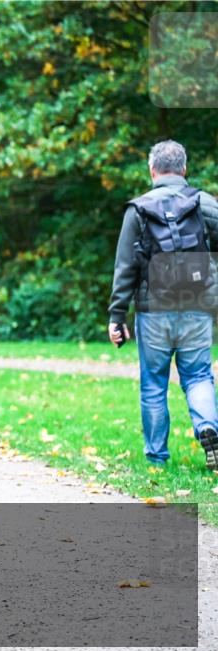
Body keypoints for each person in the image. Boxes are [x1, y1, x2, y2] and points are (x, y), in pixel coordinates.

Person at [107, 139, 218, 470]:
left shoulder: (137, 209)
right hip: (198, 308)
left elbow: (125, 267)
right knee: (198, 375)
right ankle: (208, 427)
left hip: (153, 312)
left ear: (152, 170)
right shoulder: (205, 203)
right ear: (184, 169)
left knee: (153, 382)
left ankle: (157, 457)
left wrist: (117, 315)